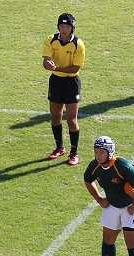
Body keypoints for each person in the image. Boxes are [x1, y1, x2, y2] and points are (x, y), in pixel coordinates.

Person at [82, 136, 134, 256]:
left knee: (132, 245)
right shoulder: (95, 166)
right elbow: (87, 180)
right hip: (113, 204)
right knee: (108, 240)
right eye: (96, 151)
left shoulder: (123, 166)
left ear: (110, 152)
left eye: (101, 152)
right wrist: (99, 199)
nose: (98, 155)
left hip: (131, 205)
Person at [42, 12, 86, 164]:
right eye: (61, 26)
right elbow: (45, 61)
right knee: (55, 116)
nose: (64, 29)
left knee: (72, 120)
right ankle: (59, 147)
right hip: (56, 82)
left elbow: (75, 68)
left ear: (72, 28)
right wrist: (47, 64)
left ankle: (74, 153)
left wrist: (57, 68)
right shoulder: (51, 40)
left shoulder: (78, 44)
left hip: (71, 83)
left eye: (67, 26)